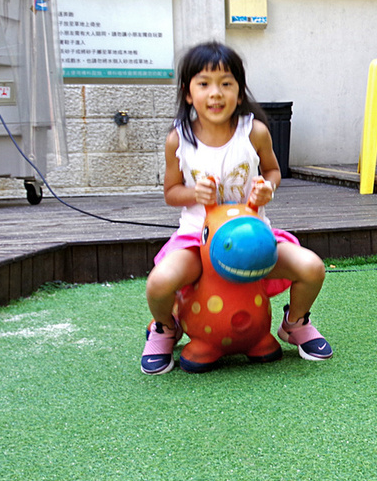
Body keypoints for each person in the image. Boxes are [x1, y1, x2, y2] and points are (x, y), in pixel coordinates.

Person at [141, 41, 332, 374]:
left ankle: (295, 323)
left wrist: (266, 188)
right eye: (204, 84)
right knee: (159, 283)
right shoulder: (179, 139)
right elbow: (171, 192)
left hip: (253, 239)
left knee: (311, 267)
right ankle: (165, 327)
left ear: (239, 93)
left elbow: (273, 171)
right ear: (189, 93)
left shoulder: (254, 132)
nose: (215, 93)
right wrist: (193, 195)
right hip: (197, 241)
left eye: (226, 83)